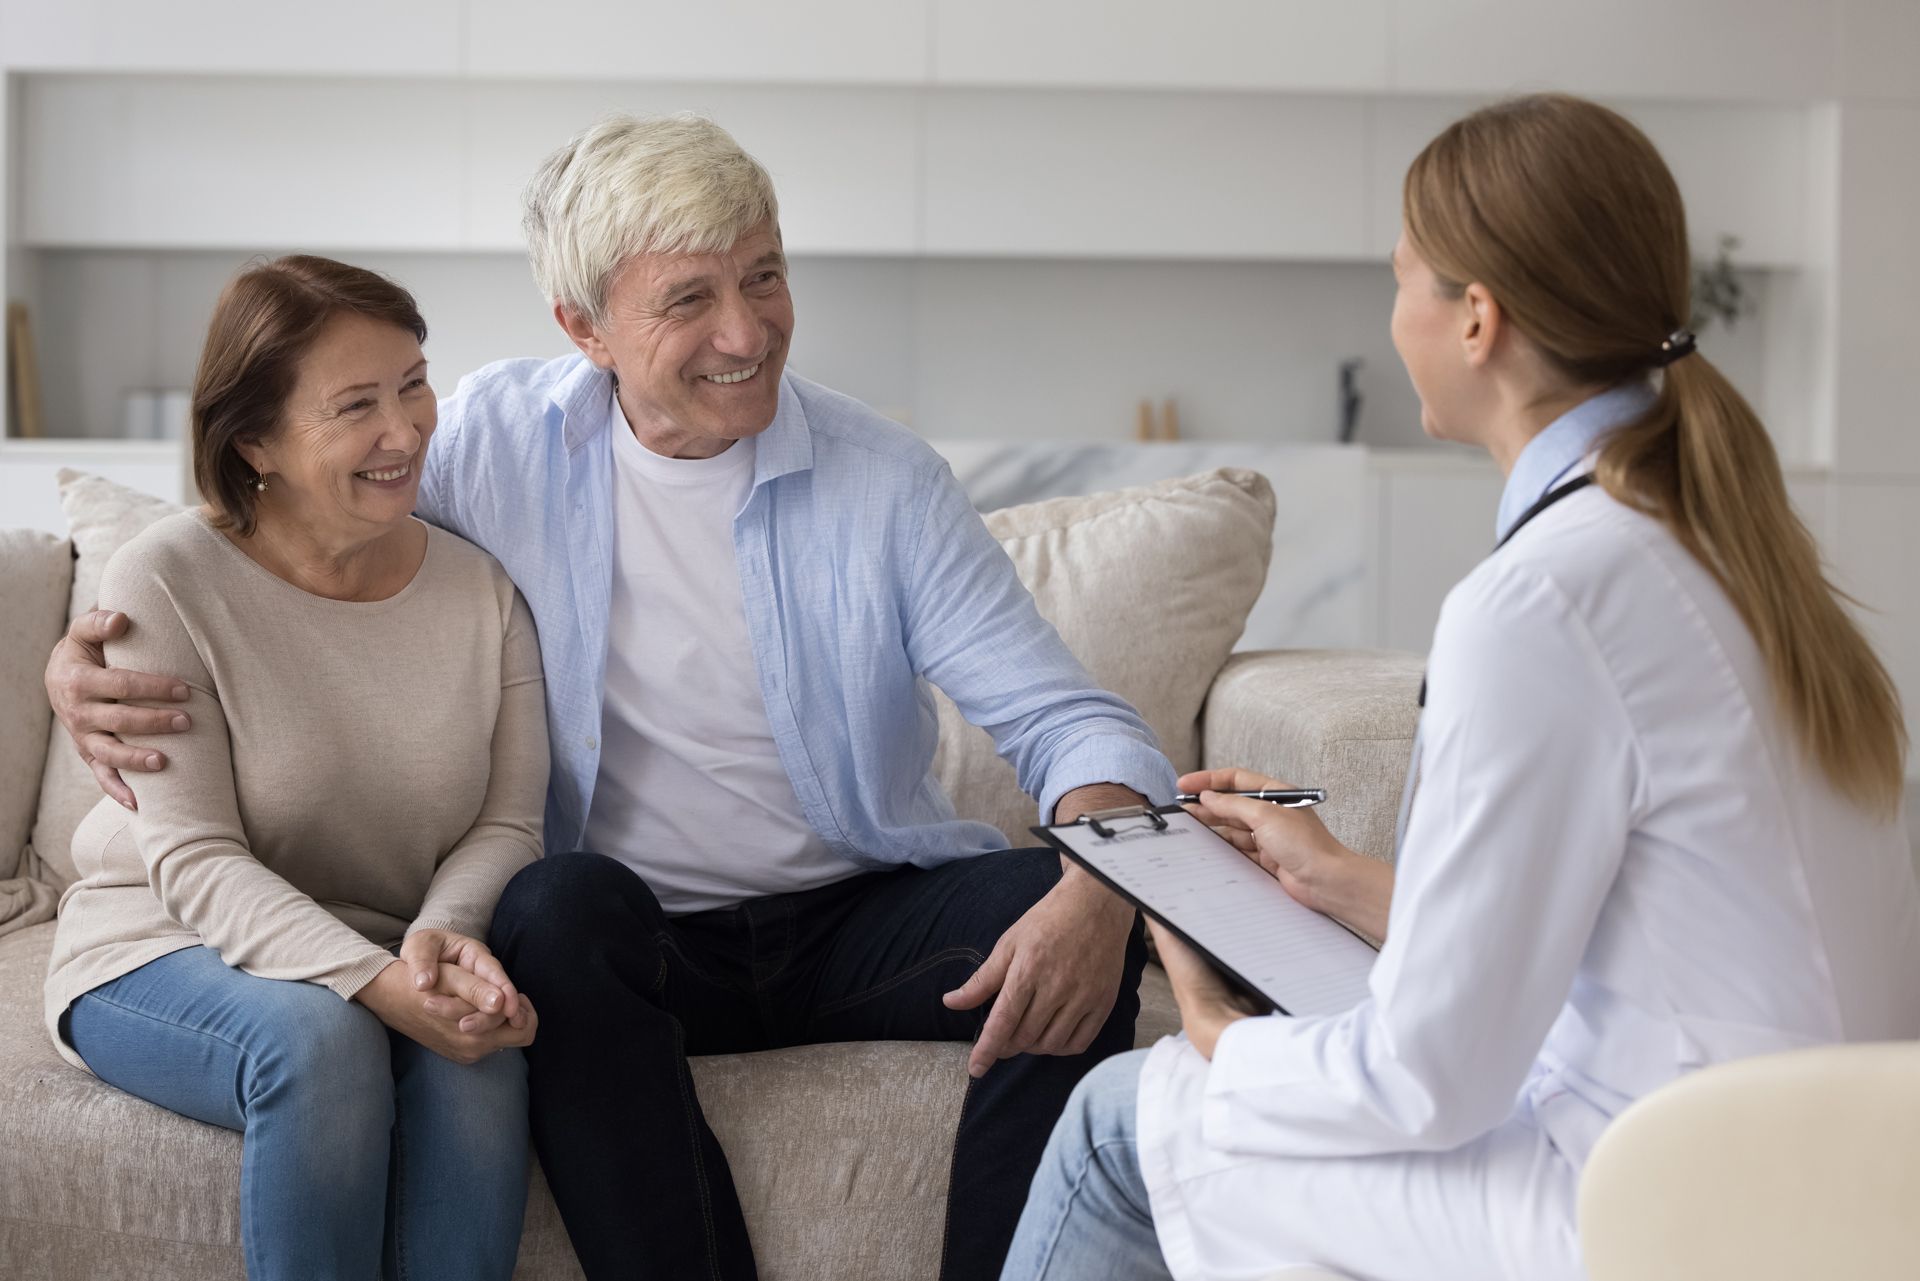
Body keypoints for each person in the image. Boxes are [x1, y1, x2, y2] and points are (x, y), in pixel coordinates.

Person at [46, 116, 1173, 1281]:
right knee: (554, 904)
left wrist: (1097, 883)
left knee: (1077, 895)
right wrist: (83, 653)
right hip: (623, 943)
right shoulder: (485, 442)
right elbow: (280, 530)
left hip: (851, 917)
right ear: (583, 329)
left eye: (765, 276)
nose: (746, 331)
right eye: (689, 299)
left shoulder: (885, 483)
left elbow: (1066, 719)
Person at [999, 93, 1920, 1281]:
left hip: (1656, 1202)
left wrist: (1221, 1034)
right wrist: (1343, 882)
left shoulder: (1545, 600)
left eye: (1402, 280)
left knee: (1123, 1124)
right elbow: (1631, 932)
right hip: (1829, 1184)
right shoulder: (1726, 548)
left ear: (1476, 317)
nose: (1396, 318)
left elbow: (1429, 1080)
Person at [41, 257, 550, 1280]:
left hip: (389, 941)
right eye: (355, 406)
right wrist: (372, 987)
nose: (404, 431)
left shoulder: (480, 589)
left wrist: (439, 947)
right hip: (163, 943)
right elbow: (190, 856)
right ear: (255, 443)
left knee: (481, 1062)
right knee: (321, 1045)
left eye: (412, 383)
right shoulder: (169, 580)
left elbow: (508, 826)